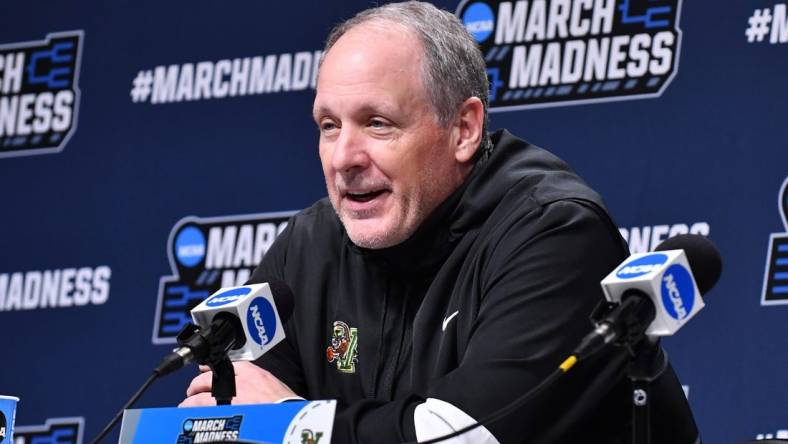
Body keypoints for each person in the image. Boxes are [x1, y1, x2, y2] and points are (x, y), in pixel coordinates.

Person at [181, 2, 699, 443]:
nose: (343, 158)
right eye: (329, 126)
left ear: (464, 129)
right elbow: (227, 415)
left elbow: (468, 434)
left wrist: (295, 425)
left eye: (377, 123)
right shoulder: (309, 246)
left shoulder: (556, 233)